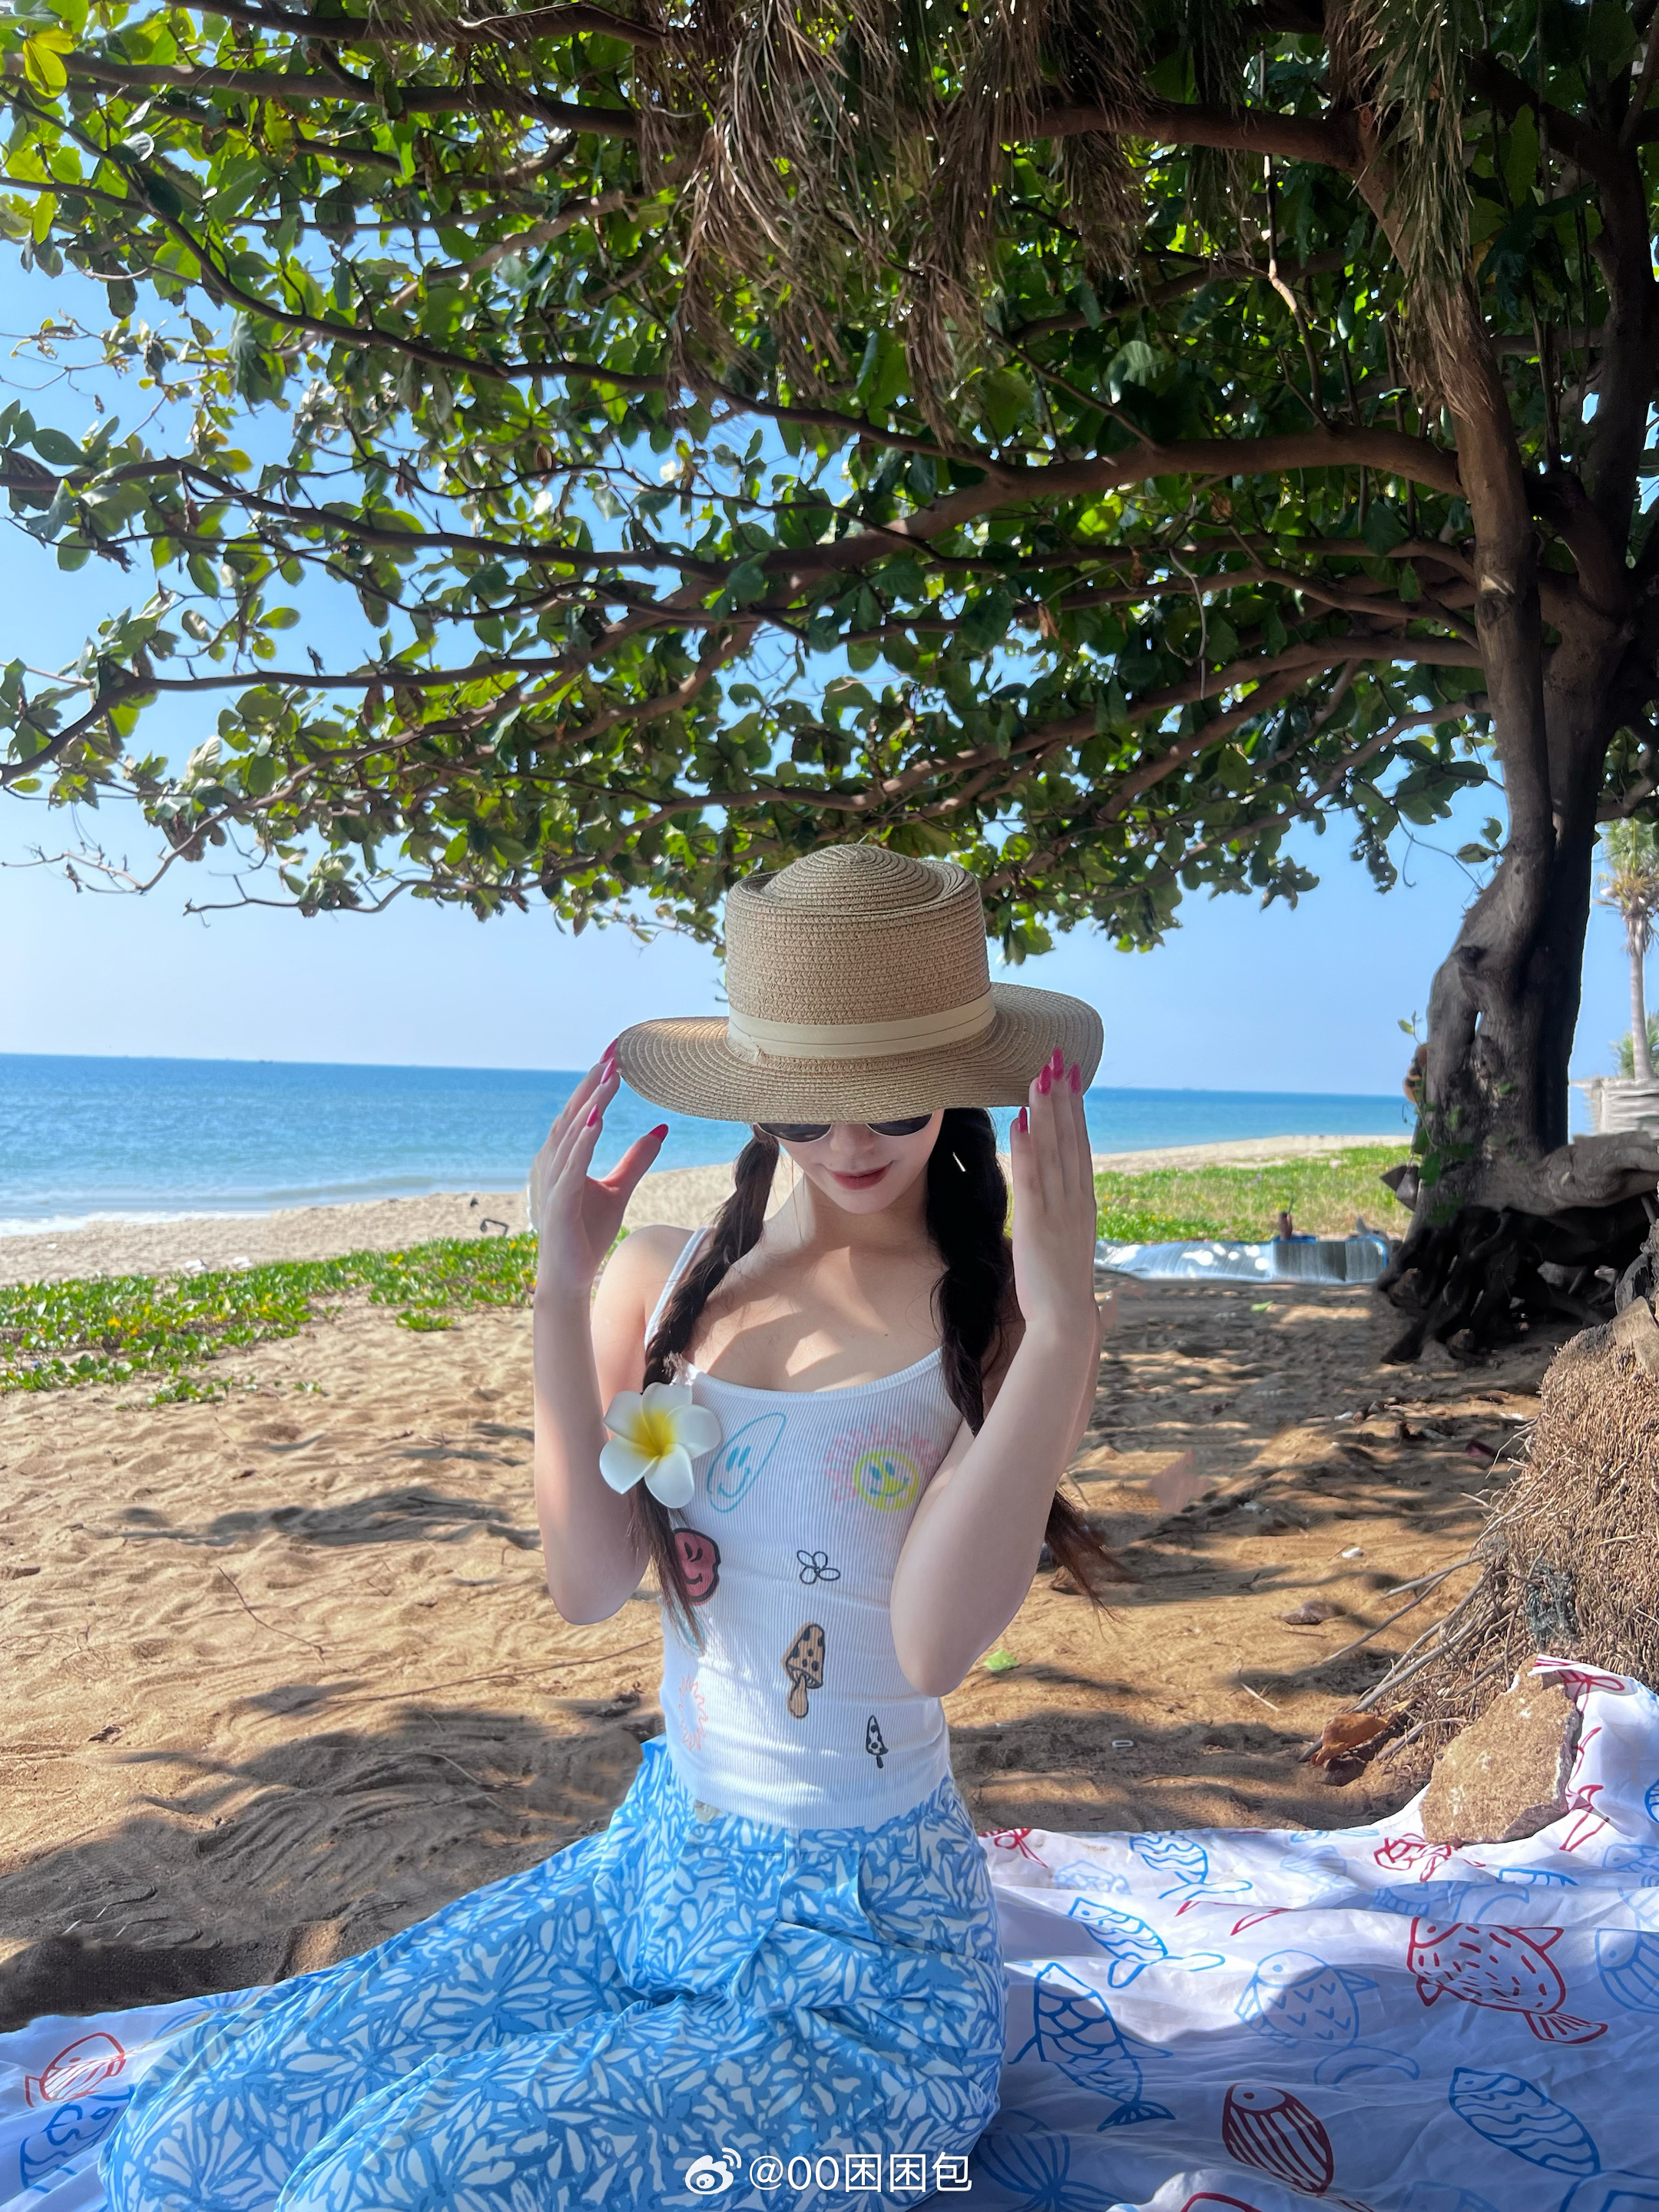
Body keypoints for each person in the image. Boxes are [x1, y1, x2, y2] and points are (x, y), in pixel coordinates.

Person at [101, 844, 1111, 2211]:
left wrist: (1064, 1324)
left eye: (891, 1098)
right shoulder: (666, 1276)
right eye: (803, 1106)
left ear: (959, 1083)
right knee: (192, 2137)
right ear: (753, 1096)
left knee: (387, 2185)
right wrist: (561, 1283)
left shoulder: (1008, 1315)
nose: (849, 1143)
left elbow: (932, 1648)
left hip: (868, 1980)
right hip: (659, 1870)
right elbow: (586, 1582)